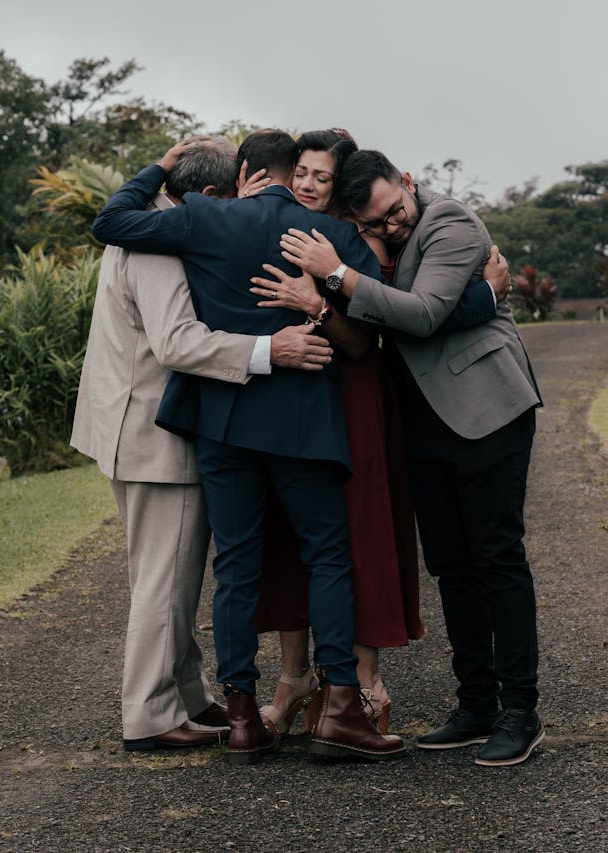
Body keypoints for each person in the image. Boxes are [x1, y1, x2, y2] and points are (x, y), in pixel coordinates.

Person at [91, 130, 405, 765]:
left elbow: (111, 220)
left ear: (245, 174)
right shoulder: (331, 238)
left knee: (234, 566)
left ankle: (240, 717)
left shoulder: (206, 218)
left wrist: (162, 165)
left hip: (224, 425)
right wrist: (323, 295)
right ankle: (340, 709)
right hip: (302, 424)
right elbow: (381, 324)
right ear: (296, 173)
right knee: (328, 557)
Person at [273, 148, 545, 768]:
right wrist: (476, 298)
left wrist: (337, 273)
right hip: (421, 422)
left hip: (486, 410)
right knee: (451, 566)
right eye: (376, 223)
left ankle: (520, 712)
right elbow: (382, 329)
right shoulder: (372, 243)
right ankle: (476, 704)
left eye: (396, 212)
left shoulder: (450, 223)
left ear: (409, 184)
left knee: (497, 556)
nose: (392, 227)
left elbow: (421, 315)